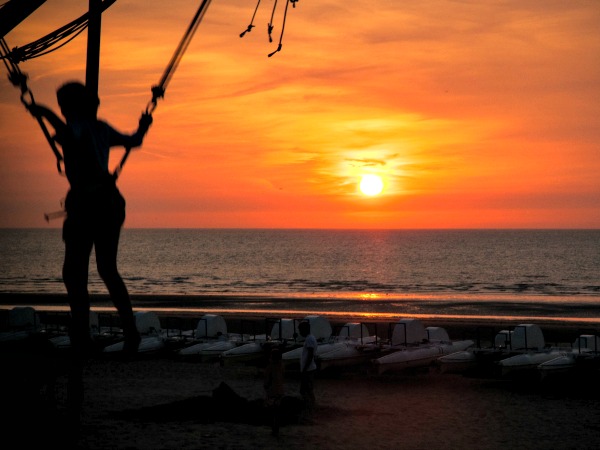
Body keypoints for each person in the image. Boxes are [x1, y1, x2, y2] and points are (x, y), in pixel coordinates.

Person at [26, 81, 152, 357]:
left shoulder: (80, 127)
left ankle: (84, 334)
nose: (62, 110)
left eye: (63, 105)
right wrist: (144, 125)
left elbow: (70, 135)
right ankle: (127, 331)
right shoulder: (99, 128)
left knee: (75, 272)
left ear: (72, 107)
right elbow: (134, 140)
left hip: (91, 206)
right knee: (104, 269)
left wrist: (44, 112)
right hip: (107, 203)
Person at [263, 347, 285, 436]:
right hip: (280, 392)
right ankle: (277, 428)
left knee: (272, 412)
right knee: (277, 412)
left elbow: (267, 381)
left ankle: (274, 429)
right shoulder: (282, 366)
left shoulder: (270, 367)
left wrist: (266, 387)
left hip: (272, 392)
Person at [298, 320, 317, 412]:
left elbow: (310, 355)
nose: (300, 332)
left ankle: (310, 406)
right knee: (307, 389)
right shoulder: (310, 338)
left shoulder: (309, 339)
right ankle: (310, 406)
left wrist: (305, 369)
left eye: (301, 330)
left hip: (308, 369)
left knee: (306, 390)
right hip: (308, 368)